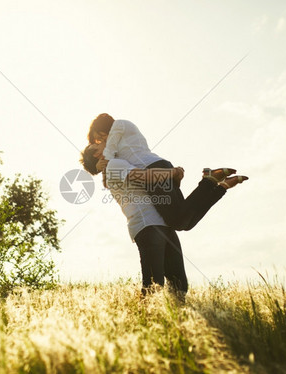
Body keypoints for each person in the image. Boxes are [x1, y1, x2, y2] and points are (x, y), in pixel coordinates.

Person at [86, 113, 248, 231]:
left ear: (104, 129)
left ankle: (208, 182)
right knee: (185, 222)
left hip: (153, 171)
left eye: (100, 137)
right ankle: (217, 184)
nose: (102, 141)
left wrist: (104, 166)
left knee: (177, 220)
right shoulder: (122, 141)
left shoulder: (119, 127)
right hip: (160, 166)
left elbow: (108, 166)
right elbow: (109, 181)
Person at [80, 142, 189, 299]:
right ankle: (147, 320)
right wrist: (174, 172)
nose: (106, 141)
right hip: (149, 226)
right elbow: (146, 176)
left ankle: (178, 320)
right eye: (98, 144)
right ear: (97, 154)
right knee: (153, 285)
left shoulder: (115, 164)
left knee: (179, 284)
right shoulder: (115, 165)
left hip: (160, 224)